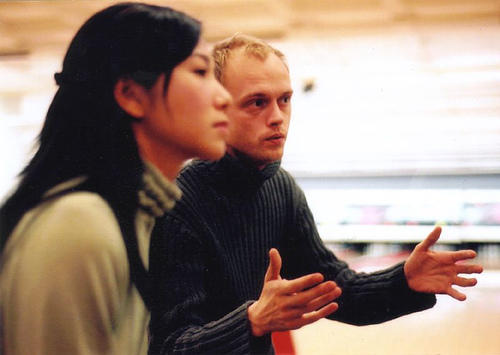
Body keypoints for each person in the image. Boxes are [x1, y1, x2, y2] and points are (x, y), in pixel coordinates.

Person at [148, 33, 483, 354]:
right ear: (218, 106)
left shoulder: (281, 189)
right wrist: (253, 320)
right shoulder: (179, 203)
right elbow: (171, 345)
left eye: (284, 100)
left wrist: (404, 280)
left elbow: (336, 289)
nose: (277, 117)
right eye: (257, 103)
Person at [0, 3, 231, 354]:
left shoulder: (132, 215)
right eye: (200, 72)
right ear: (131, 96)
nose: (224, 97)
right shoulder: (80, 223)